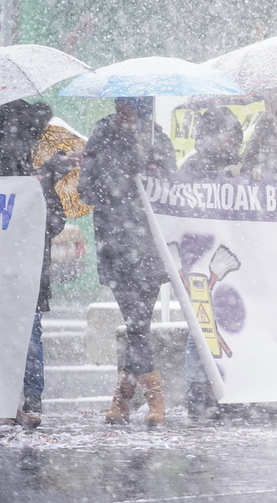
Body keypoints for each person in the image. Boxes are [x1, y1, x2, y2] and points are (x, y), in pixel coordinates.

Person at [78, 97, 177, 426]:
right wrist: (119, 176)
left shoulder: (156, 137)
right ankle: (155, 400)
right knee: (136, 324)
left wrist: (155, 169)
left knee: (139, 325)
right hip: (117, 245)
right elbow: (86, 189)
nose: (128, 111)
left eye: (136, 106)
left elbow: (172, 186)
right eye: (124, 104)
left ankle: (121, 401)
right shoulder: (102, 134)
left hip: (148, 246)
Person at [0, 101, 73, 428]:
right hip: (29, 271)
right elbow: (56, 223)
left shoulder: (32, 178)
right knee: (30, 334)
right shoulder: (35, 177)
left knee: (25, 334)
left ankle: (13, 403)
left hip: (21, 269)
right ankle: (31, 403)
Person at [179, 106, 243, 418]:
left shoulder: (239, 164)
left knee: (220, 319)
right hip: (200, 256)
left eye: (234, 132)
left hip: (230, 252)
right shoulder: (194, 164)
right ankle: (197, 388)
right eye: (226, 132)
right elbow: (188, 202)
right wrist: (220, 180)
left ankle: (228, 384)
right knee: (202, 321)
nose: (231, 138)